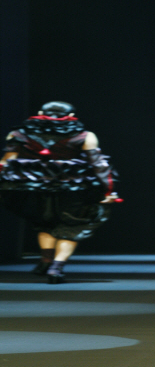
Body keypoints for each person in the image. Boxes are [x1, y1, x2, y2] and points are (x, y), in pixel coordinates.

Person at [0, 101, 120, 284]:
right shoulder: (85, 136)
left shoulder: (17, 134)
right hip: (72, 189)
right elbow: (98, 166)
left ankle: (45, 261)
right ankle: (56, 268)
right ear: (71, 116)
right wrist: (108, 191)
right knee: (72, 227)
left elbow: (6, 162)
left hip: (31, 188)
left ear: (40, 113)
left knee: (44, 223)